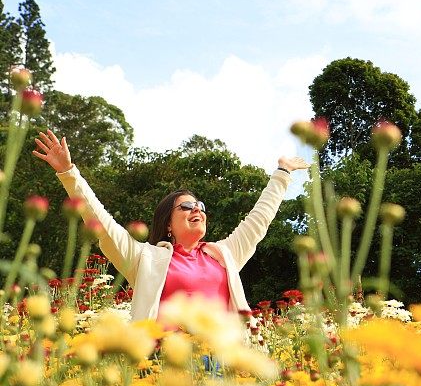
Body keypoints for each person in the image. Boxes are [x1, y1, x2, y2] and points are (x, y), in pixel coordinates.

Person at [33, 129, 309, 321]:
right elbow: (102, 224)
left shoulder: (225, 255)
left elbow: (258, 220)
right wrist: (69, 174)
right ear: (167, 223)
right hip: (164, 366)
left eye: (200, 206)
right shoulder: (145, 259)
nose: (196, 209)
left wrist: (282, 173)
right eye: (186, 206)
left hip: (221, 365)